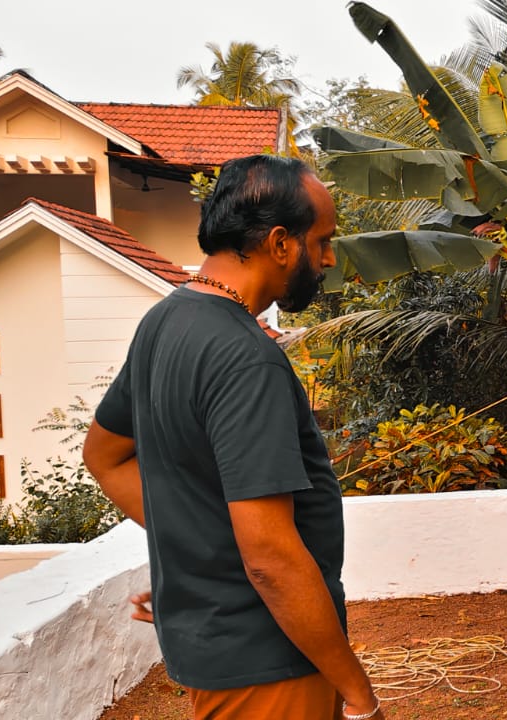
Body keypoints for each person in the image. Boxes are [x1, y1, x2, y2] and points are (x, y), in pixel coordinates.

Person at [82, 155, 384, 720]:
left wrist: (200, 557)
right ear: (279, 243)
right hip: (268, 658)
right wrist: (359, 695)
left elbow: (105, 456)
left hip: (218, 649)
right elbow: (270, 557)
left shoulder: (164, 322)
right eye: (321, 241)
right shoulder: (247, 358)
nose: (328, 258)